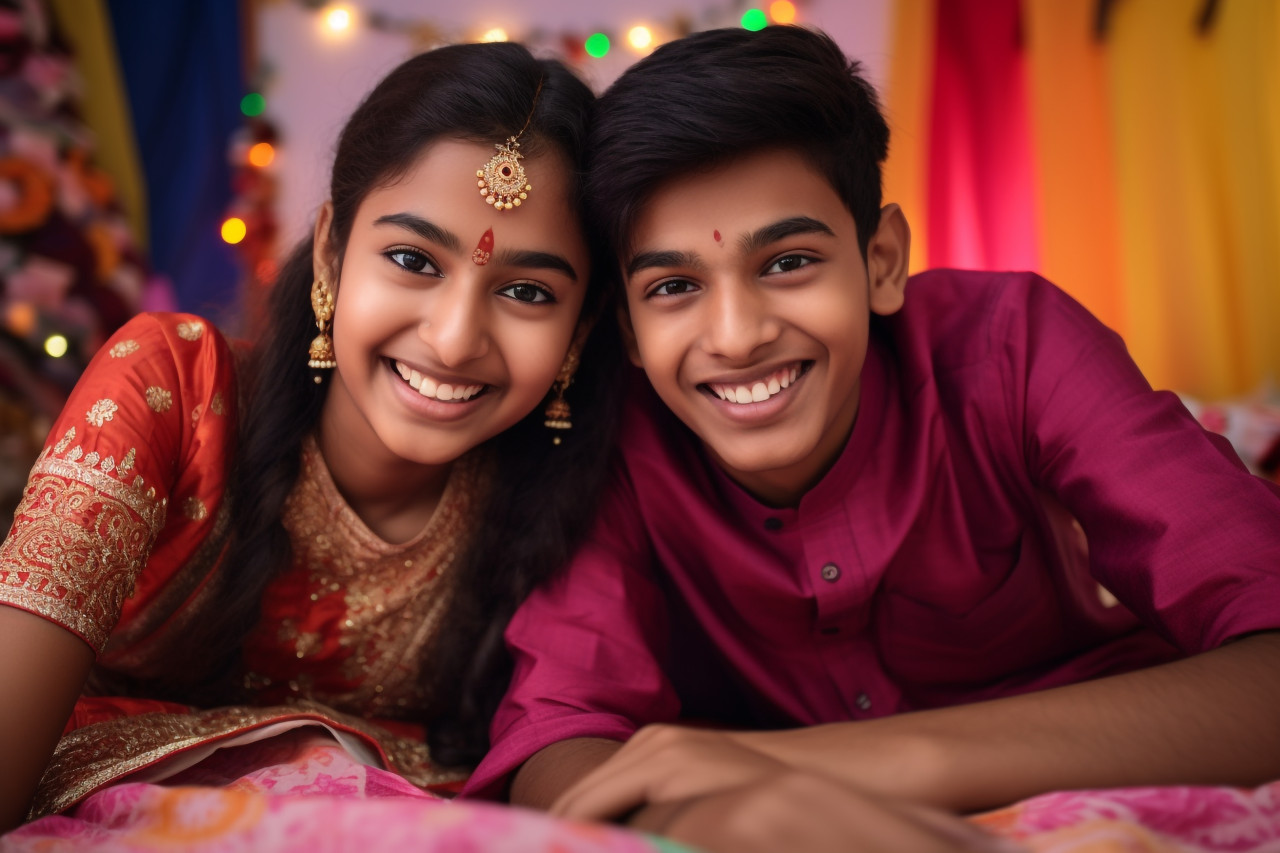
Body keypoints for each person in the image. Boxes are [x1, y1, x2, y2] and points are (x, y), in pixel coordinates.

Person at [461, 25, 1280, 851]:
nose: (737, 336)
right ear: (630, 332)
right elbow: (557, 735)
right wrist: (722, 814)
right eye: (674, 286)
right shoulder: (620, 445)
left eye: (787, 263)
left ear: (882, 261)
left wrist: (839, 764)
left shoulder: (1014, 347)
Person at [0, 41, 625, 834]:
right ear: (330, 249)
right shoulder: (172, 389)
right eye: (411, 259)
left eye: (529, 291)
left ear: (584, 323)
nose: (457, 337)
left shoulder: (572, 485)